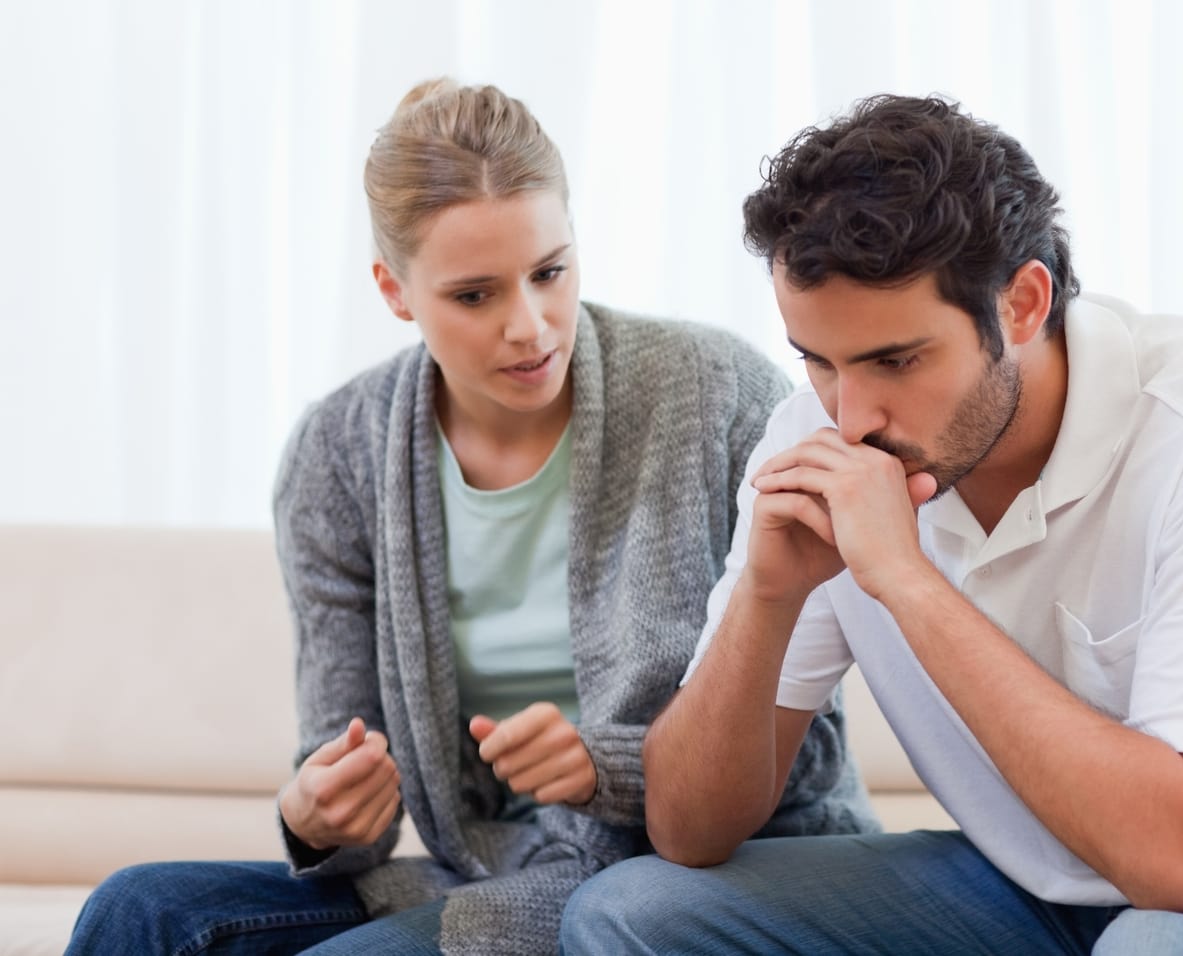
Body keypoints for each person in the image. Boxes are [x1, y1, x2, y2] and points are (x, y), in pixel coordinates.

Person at [560, 94, 1183, 955]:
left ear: (1021, 304)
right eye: (819, 361)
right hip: (1028, 897)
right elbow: (689, 831)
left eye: (896, 360)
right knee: (634, 910)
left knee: (1158, 951)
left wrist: (905, 580)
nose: (850, 418)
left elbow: (1177, 865)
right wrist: (767, 601)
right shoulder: (814, 435)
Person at [64, 80, 875, 956]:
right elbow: (355, 817)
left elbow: (805, 739)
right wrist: (317, 810)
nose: (529, 327)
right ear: (395, 290)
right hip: (490, 867)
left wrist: (609, 769)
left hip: (698, 870)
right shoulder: (338, 457)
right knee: (139, 909)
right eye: (476, 296)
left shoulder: (716, 391)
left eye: (549, 272)